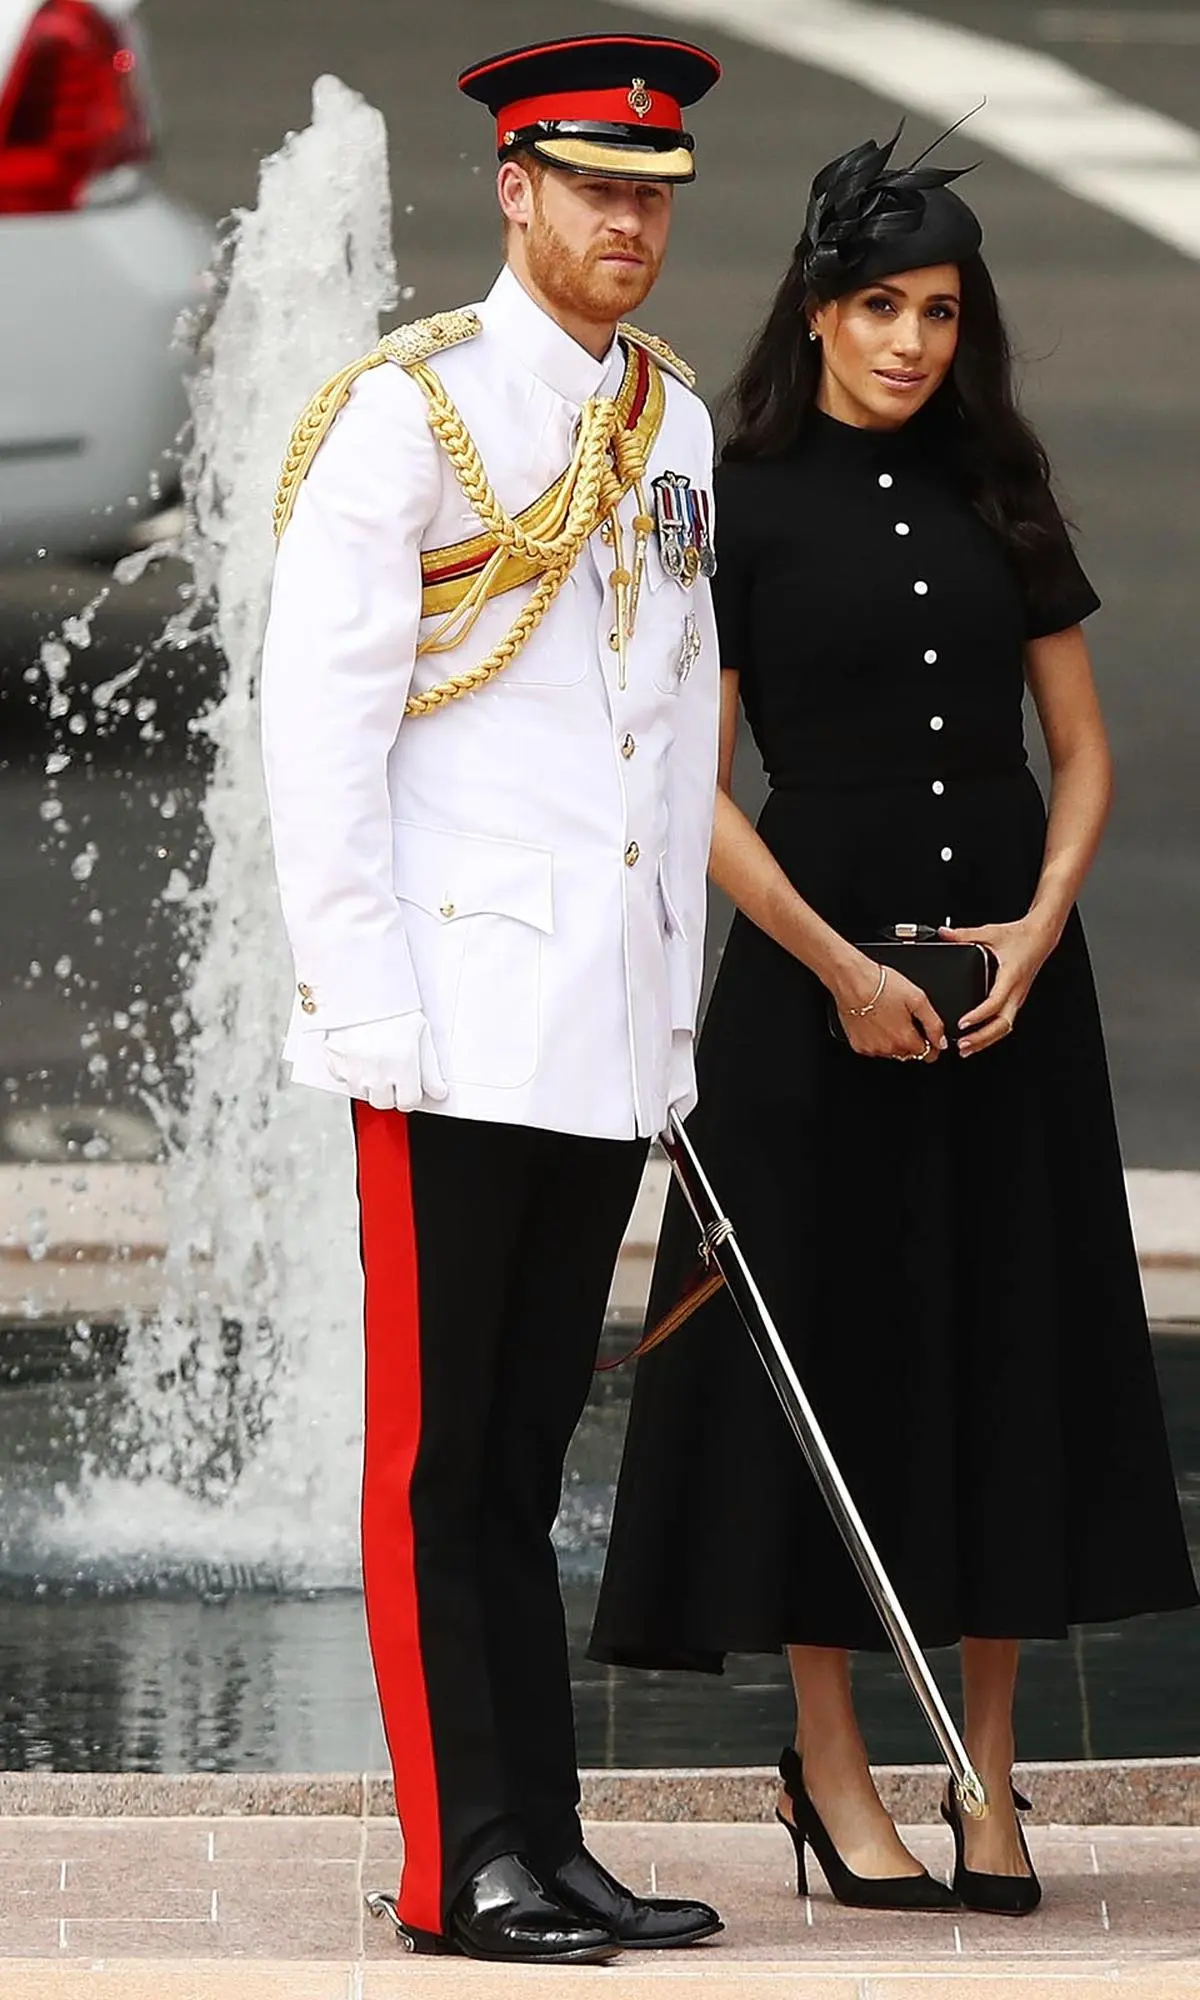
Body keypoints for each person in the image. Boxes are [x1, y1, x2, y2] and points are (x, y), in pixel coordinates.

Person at [591, 129, 1198, 1920]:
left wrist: (1041, 923)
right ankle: (833, 1770)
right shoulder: (734, 493)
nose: (912, 341)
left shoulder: (999, 483)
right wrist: (840, 967)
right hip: (807, 990)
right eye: (879, 307)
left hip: (1016, 991)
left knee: (1010, 1347)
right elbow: (689, 795)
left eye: (938, 310)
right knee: (824, 1369)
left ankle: (991, 1779)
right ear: (820, 312)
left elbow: (1079, 750)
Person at [260, 33, 727, 1966]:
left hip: (598, 1032)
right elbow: (322, 733)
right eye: (593, 188)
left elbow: (676, 721)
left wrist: (673, 1010)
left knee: (531, 1460)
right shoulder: (407, 419)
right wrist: (360, 999)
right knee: (438, 1466)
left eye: (655, 196)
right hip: (446, 1023)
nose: (628, 225)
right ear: (514, 190)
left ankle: (549, 1832)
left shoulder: (673, 426)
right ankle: (461, 1864)